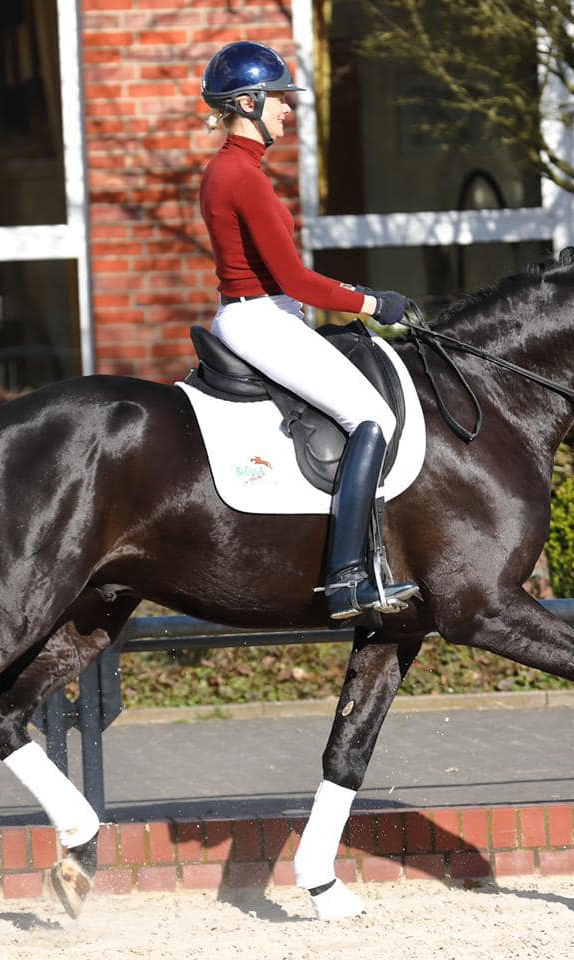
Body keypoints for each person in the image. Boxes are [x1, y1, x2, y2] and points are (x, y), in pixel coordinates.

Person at [198, 40, 419, 621]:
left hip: (260, 313)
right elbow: (294, 278)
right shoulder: (241, 176)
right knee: (373, 417)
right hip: (263, 315)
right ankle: (348, 575)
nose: (286, 110)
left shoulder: (233, 169)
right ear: (246, 102)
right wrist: (373, 302)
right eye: (277, 99)